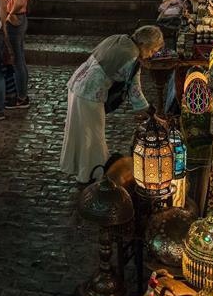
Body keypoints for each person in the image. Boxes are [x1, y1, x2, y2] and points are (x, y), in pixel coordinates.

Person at [60, 25, 164, 184]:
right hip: (90, 94)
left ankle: (82, 170)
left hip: (77, 84)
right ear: (145, 45)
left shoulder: (118, 38)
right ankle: (90, 174)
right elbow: (135, 93)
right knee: (92, 135)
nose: (151, 55)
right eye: (152, 51)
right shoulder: (132, 58)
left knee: (79, 131)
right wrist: (152, 113)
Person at [1, 0, 36, 109]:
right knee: (20, 58)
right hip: (22, 19)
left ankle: (21, 97)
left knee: (17, 60)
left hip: (16, 20)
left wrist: (9, 14)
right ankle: (23, 95)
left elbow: (20, 0)